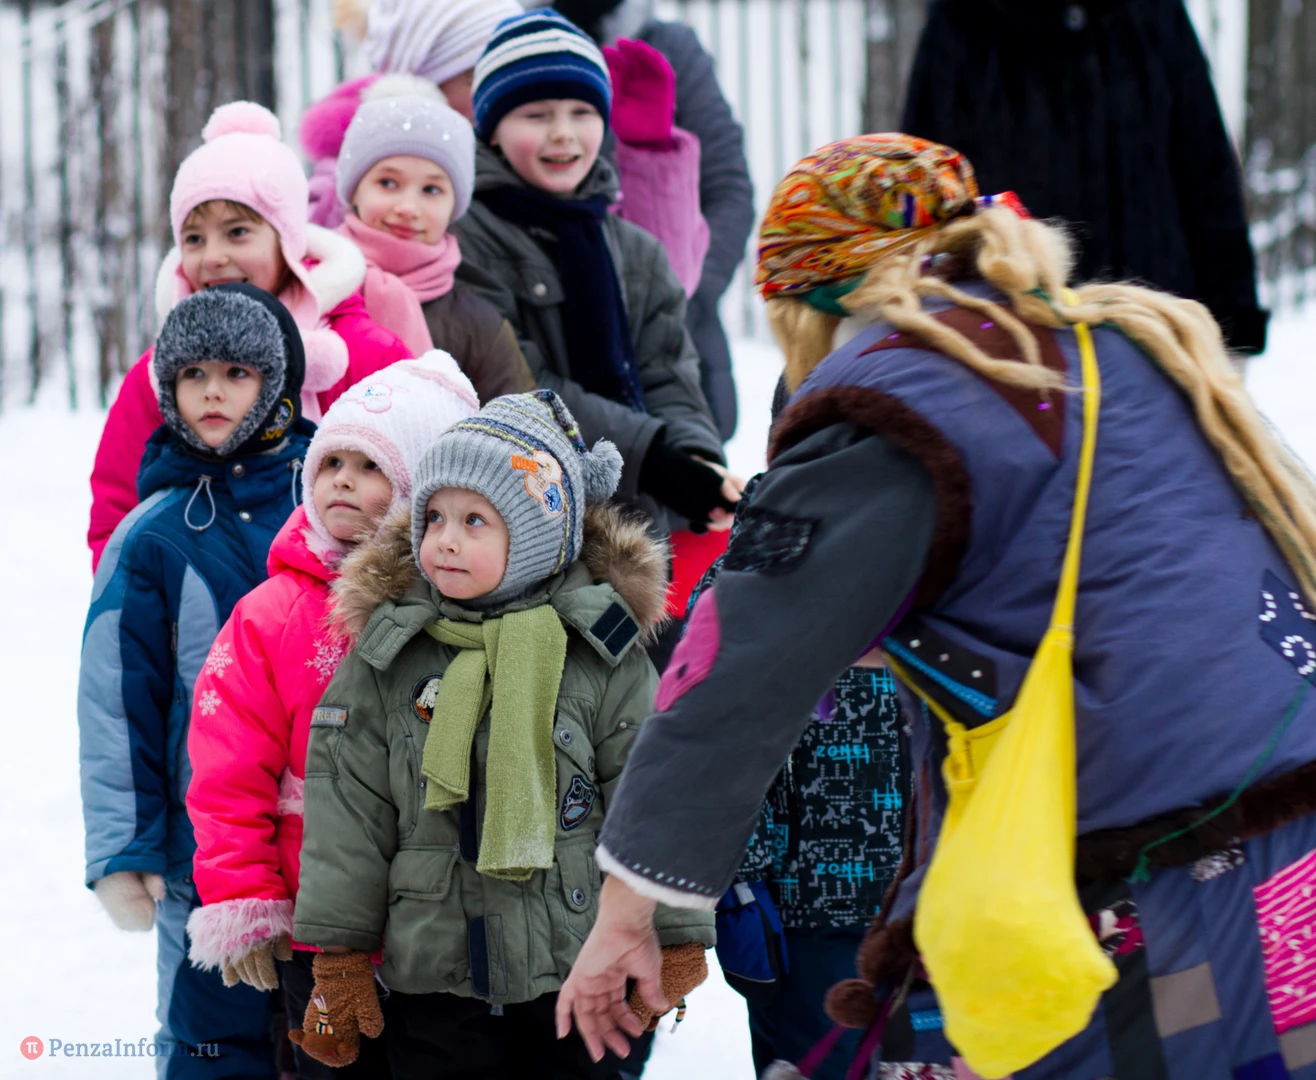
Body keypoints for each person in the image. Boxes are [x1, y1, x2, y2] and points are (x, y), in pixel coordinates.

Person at [556, 134, 1316, 1078]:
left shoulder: (895, 405)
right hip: (1287, 837)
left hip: (1153, 876)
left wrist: (627, 913)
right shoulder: (1107, 346)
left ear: (806, 300)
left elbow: (731, 676)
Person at [288, 390, 715, 1077]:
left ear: (536, 537)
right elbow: (348, 811)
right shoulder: (390, 653)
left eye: (475, 520)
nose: (446, 539)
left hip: (579, 969)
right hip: (435, 975)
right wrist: (340, 954)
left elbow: (651, 795)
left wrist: (675, 931)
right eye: (434, 517)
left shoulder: (598, 652)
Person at [183, 352, 479, 1079]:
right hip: (316, 919)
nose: (342, 480)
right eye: (331, 462)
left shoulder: (462, 612)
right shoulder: (271, 615)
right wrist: (245, 895)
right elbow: (226, 770)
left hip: (444, 919)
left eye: (371, 466)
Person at [79, 284, 312, 1076]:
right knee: (211, 1042)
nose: (214, 392)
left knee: (338, 1038)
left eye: (238, 373)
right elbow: (117, 701)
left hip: (333, 845)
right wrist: (125, 847)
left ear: (275, 383)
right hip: (203, 851)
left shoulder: (328, 502)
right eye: (193, 375)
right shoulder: (152, 535)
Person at [451, 11, 739, 557]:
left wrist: (694, 455)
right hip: (519, 523)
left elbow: (668, 369)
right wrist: (650, 455)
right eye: (536, 114)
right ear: (491, 128)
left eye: (582, 112)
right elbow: (516, 380)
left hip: (634, 527)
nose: (563, 133)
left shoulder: (635, 248)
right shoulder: (466, 237)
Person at [87, 101, 411, 570]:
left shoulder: (363, 353)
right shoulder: (161, 374)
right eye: (193, 239)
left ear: (287, 241)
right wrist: (143, 594)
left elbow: (417, 491)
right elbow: (116, 517)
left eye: (237, 232)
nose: (212, 257)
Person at [901, 0, 1268, 354]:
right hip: (1008, 344)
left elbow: (1205, 168)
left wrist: (1231, 322)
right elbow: (922, 183)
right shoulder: (962, 16)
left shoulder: (1154, 11)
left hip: (1154, 336)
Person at [553, 0, 756, 440]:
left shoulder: (666, 47)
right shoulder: (521, 46)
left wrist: (679, 293)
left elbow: (729, 191)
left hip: (681, 353)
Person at [333, 75, 536, 400]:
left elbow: (523, 425)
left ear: (454, 205)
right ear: (355, 189)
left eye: (431, 189)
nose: (408, 208)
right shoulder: (313, 287)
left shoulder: (478, 322)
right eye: (388, 183)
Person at [302, 0, 523, 227]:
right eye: (477, 79)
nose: (496, 94)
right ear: (427, 85)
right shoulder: (345, 175)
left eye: (507, 78)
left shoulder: (512, 153)